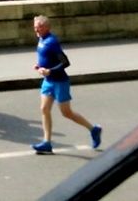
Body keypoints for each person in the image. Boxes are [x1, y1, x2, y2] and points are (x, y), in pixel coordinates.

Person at [30, 15, 102, 154]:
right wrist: (40, 66)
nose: (36, 29)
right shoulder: (41, 39)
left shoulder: (52, 41)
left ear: (46, 27)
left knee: (66, 113)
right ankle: (47, 142)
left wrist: (49, 71)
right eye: (35, 26)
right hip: (48, 81)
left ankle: (93, 129)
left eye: (38, 27)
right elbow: (46, 57)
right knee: (44, 109)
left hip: (60, 82)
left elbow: (65, 62)